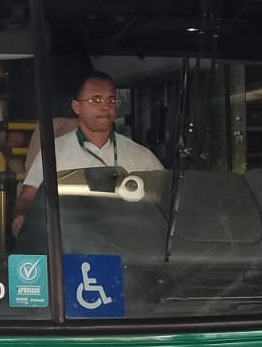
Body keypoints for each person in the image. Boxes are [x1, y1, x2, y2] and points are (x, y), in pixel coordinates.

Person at [11, 72, 163, 237]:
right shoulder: (53, 152)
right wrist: (23, 217)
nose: (105, 106)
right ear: (77, 107)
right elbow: (27, 198)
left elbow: (166, 198)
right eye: (96, 100)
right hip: (70, 241)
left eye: (111, 100)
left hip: (126, 241)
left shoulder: (140, 156)